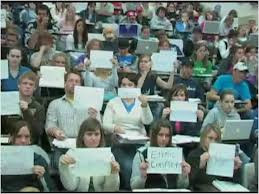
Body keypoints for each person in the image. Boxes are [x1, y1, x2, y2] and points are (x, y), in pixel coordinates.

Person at [45, 70, 100, 169]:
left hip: (85, 146)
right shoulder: (55, 104)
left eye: (77, 81)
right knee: (63, 167)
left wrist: (94, 119)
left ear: (81, 85)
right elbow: (49, 126)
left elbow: (100, 128)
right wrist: (56, 131)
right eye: (70, 81)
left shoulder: (91, 104)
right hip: (63, 147)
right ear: (65, 84)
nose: (74, 84)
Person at [59, 118, 120, 192]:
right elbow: (71, 187)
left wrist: (113, 174)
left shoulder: (108, 155)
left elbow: (111, 190)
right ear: (82, 136)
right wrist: (64, 167)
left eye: (97, 134)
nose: (93, 138)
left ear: (101, 136)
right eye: (89, 134)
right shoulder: (72, 154)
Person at [130, 119, 191, 189]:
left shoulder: (176, 153)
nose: (164, 139)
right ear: (154, 135)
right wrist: (142, 177)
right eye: (161, 135)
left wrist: (184, 176)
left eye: (167, 135)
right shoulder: (141, 154)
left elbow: (182, 186)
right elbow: (134, 187)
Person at [2, 120, 56, 192]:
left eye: (27, 137)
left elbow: (51, 189)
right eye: (19, 136)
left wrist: (42, 178)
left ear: (30, 139)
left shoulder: (38, 159)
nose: (23, 140)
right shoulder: (3, 158)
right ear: (11, 138)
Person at [187, 123, 242, 192]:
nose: (213, 142)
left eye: (216, 139)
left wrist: (235, 169)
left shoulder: (225, 153)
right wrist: (200, 165)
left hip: (222, 188)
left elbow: (235, 181)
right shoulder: (194, 155)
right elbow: (190, 182)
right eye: (210, 138)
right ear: (203, 138)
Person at [103, 73, 153, 139]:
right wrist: (115, 128)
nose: (126, 87)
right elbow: (105, 124)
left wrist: (145, 105)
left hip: (138, 137)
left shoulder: (140, 101)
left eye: (130, 85)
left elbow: (148, 121)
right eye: (123, 85)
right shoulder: (113, 102)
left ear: (135, 87)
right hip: (118, 137)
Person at [136, 54, 175, 119]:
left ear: (150, 64)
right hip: (139, 102)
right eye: (141, 62)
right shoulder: (135, 76)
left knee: (160, 106)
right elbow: (137, 89)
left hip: (151, 103)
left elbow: (168, 86)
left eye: (145, 62)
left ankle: (154, 126)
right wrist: (145, 73)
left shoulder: (153, 76)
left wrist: (172, 72)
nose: (143, 63)